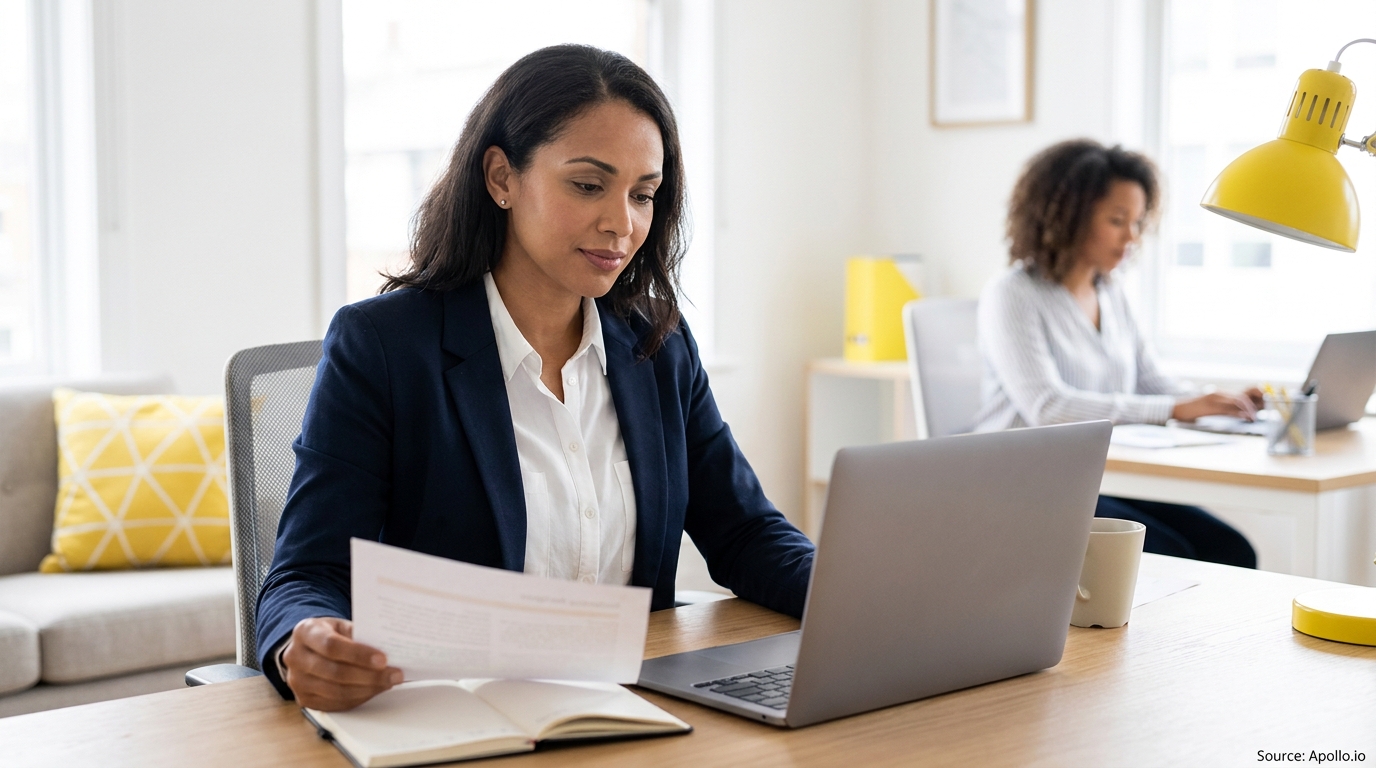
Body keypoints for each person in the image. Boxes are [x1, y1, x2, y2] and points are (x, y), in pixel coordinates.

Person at [255, 45, 814, 712]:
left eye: (644, 194)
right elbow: (307, 572)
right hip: (456, 716)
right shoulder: (382, 347)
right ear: (501, 177)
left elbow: (746, 533)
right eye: (588, 185)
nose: (623, 224)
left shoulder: (655, 345)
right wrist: (302, 644)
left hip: (633, 716)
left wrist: (866, 596)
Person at [974, 138, 1257, 569]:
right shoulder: (1013, 293)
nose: (1132, 236)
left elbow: (1151, 382)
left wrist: (1218, 402)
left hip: (1095, 479)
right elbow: (1048, 408)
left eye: (1139, 221)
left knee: (1230, 550)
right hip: (1028, 485)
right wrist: (1178, 408)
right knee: (1172, 556)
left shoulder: (1111, 291)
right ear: (1068, 216)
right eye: (1117, 220)